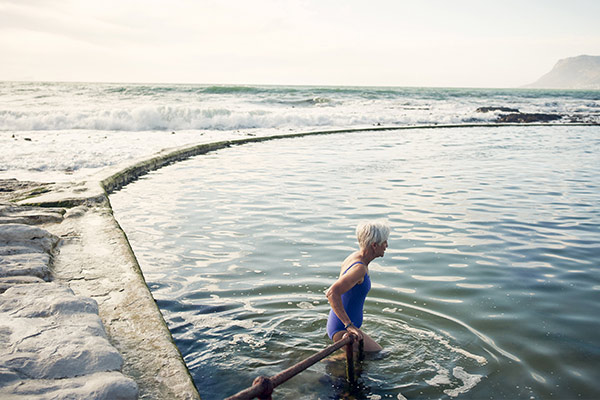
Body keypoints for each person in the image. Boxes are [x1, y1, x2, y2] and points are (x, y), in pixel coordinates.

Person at [326, 220, 390, 352]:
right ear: (374, 245)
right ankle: (326, 367)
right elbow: (332, 293)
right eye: (384, 242)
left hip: (340, 325)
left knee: (361, 360)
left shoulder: (355, 257)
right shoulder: (359, 268)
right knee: (379, 354)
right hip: (342, 329)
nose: (386, 245)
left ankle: (334, 365)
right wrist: (349, 325)